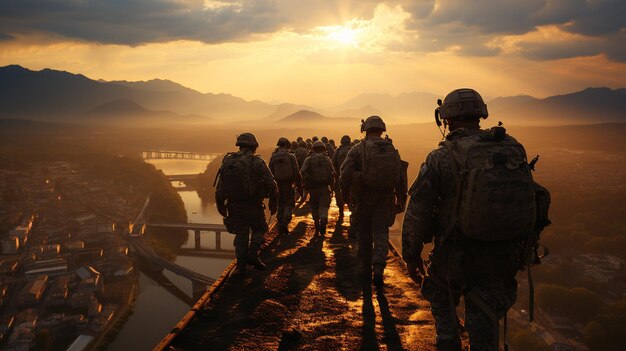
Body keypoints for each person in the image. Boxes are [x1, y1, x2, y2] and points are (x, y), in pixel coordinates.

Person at [402, 88, 550, 351]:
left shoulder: (442, 157)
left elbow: (418, 210)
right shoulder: (511, 149)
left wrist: (411, 254)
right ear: (481, 114)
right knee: (485, 319)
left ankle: (448, 342)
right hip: (503, 255)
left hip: (456, 252)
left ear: (446, 118)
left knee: (440, 295)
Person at [339, 116, 406, 286]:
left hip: (364, 197)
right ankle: (379, 265)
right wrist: (400, 197)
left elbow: (345, 173)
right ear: (381, 129)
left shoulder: (358, 149)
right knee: (381, 232)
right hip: (385, 197)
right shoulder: (391, 148)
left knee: (364, 233)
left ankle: (365, 266)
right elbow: (400, 175)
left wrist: (344, 193)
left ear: (365, 129)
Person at [215, 133, 278, 276]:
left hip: (234, 206)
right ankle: (252, 254)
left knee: (241, 234)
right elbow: (271, 184)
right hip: (254, 205)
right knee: (260, 229)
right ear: (254, 146)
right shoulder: (257, 161)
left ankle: (241, 266)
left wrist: (221, 206)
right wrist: (273, 203)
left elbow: (220, 188)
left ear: (239, 145)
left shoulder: (228, 161)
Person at [301, 140, 335, 235]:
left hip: (313, 188)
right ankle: (323, 217)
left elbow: (302, 171)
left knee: (314, 207)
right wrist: (332, 187)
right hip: (324, 187)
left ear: (313, 149)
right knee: (324, 206)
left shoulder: (309, 159)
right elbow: (332, 172)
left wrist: (305, 185)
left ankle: (316, 225)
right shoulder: (326, 158)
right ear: (324, 149)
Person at [269, 137, 302, 236]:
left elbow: (269, 172)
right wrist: (299, 185)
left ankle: (280, 224)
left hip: (277, 184)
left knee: (280, 204)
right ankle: (285, 222)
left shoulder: (273, 156)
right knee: (289, 204)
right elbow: (296, 172)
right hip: (288, 184)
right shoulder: (290, 156)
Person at [332, 135, 352, 224]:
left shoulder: (338, 150)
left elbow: (333, 163)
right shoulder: (354, 150)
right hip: (352, 179)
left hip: (340, 177)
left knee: (339, 195)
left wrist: (337, 173)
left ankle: (341, 211)